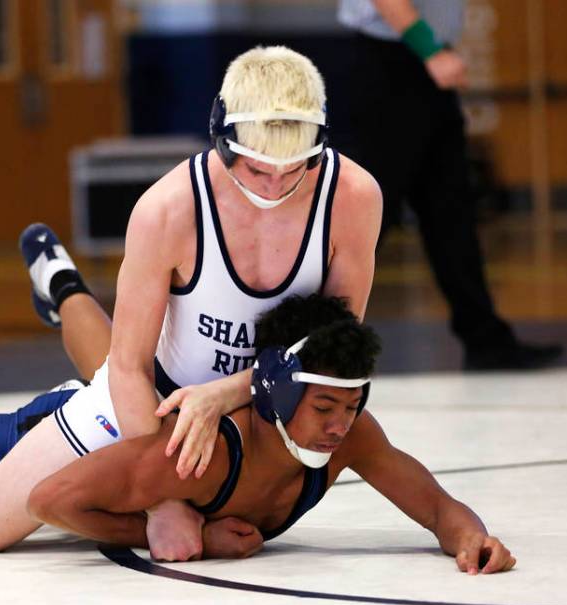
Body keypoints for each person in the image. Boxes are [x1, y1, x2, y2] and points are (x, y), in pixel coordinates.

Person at [0, 294, 515, 574]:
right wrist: (156, 531)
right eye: (325, 409)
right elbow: (50, 498)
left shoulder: (344, 432)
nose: (340, 430)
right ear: (272, 391)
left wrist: (468, 533)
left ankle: (63, 284)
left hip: (120, 417)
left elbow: (426, 496)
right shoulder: (199, 450)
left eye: (352, 407)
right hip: (50, 440)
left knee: (115, 371)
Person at [19, 44, 383, 560]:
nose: (276, 186)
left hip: (245, 397)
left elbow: (333, 348)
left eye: (294, 170)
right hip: (154, 398)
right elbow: (128, 365)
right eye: (258, 172)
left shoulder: (351, 195)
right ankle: (55, 400)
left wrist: (220, 394)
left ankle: (61, 288)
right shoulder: (170, 206)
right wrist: (160, 502)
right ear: (226, 145)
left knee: (121, 360)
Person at [335, 0, 563, 370]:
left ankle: (485, 338)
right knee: (367, 212)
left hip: (422, 62)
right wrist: (432, 51)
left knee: (450, 209)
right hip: (392, 61)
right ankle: (305, 339)